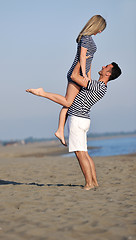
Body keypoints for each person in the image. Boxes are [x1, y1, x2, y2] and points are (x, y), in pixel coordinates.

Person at [26, 62, 122, 190]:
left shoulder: (98, 86)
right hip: (82, 119)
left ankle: (88, 184)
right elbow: (86, 77)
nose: (103, 66)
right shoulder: (100, 86)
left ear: (108, 73)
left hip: (77, 119)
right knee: (85, 154)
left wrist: (79, 62)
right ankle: (94, 182)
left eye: (106, 67)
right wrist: (88, 63)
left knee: (80, 154)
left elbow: (74, 76)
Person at [28, 15, 106, 146]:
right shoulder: (86, 38)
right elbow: (82, 56)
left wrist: (89, 77)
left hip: (82, 76)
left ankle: (59, 130)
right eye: (100, 29)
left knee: (70, 103)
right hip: (76, 75)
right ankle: (42, 93)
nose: (100, 32)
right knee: (68, 101)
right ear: (96, 26)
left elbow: (89, 60)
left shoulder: (89, 38)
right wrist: (84, 75)